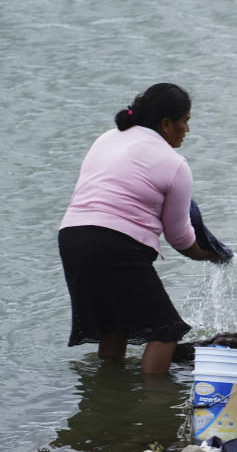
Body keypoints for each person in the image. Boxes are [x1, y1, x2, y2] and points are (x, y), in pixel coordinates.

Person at [58, 83, 222, 374]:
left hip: (72, 237)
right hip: (113, 243)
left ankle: (110, 398)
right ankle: (155, 407)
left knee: (113, 327)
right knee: (166, 331)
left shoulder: (108, 138)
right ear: (166, 123)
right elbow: (180, 237)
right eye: (185, 121)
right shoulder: (174, 164)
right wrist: (209, 254)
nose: (187, 129)